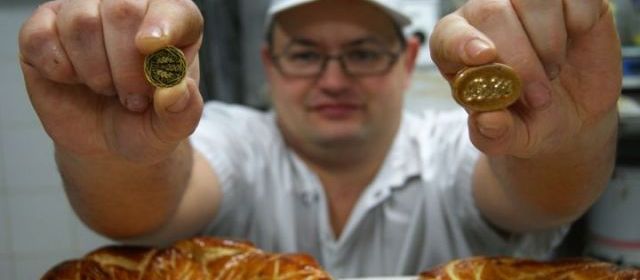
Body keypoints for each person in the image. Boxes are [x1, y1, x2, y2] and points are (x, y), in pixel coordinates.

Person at [18, 0, 621, 277]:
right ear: (269, 62)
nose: (333, 80)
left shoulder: (454, 145)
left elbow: (541, 191)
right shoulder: (236, 139)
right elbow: (148, 202)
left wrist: (567, 136)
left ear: (407, 61)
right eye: (306, 54)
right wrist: (108, 156)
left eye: (362, 52)